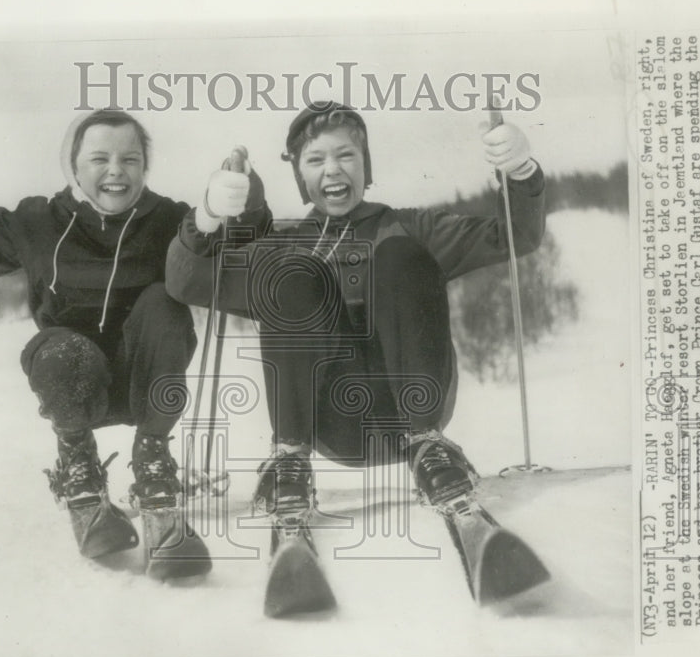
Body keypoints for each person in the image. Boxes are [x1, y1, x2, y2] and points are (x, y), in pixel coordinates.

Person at [166, 101, 546, 526]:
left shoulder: (409, 227)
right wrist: (209, 216)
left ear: (366, 164)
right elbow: (187, 281)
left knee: (400, 255)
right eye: (315, 160)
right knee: (293, 272)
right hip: (331, 423)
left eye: (346, 155)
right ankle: (289, 459)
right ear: (300, 175)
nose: (332, 170)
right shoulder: (286, 244)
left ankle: (427, 445)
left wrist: (520, 173)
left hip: (414, 414)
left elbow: (517, 235)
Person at [0, 109, 200, 560]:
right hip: (74, 384)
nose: (115, 170)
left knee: (163, 305)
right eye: (99, 158)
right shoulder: (40, 220)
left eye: (130, 159)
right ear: (73, 165)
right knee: (57, 347)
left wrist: (234, 209)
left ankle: (153, 459)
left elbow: (215, 252)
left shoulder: (169, 220)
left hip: (145, 383)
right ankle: (78, 462)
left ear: (144, 167)